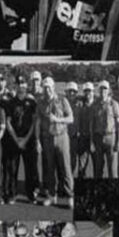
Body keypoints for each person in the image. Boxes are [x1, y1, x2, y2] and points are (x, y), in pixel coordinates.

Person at [37, 75, 74, 208]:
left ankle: (70, 196)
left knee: (65, 168)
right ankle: (52, 195)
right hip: (47, 138)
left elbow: (71, 118)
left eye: (49, 87)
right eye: (45, 88)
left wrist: (58, 120)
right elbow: (38, 123)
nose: (47, 90)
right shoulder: (41, 103)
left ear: (53, 87)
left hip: (62, 137)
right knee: (50, 168)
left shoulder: (62, 100)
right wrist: (37, 140)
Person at [4, 75, 38, 203]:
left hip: (28, 140)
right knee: (12, 169)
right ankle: (12, 194)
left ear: (26, 85)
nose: (20, 86)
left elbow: (34, 122)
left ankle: (31, 194)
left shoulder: (32, 102)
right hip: (14, 140)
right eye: (18, 84)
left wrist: (25, 139)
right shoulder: (10, 102)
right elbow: (8, 122)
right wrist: (17, 139)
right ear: (15, 86)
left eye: (22, 83)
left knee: (30, 169)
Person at [89, 80, 119, 178]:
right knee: (98, 169)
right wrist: (91, 142)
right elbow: (91, 124)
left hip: (111, 138)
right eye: (101, 88)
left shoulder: (114, 104)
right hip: (98, 138)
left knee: (112, 170)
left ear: (108, 90)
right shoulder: (94, 105)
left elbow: (118, 123)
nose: (103, 91)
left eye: (105, 88)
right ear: (98, 90)